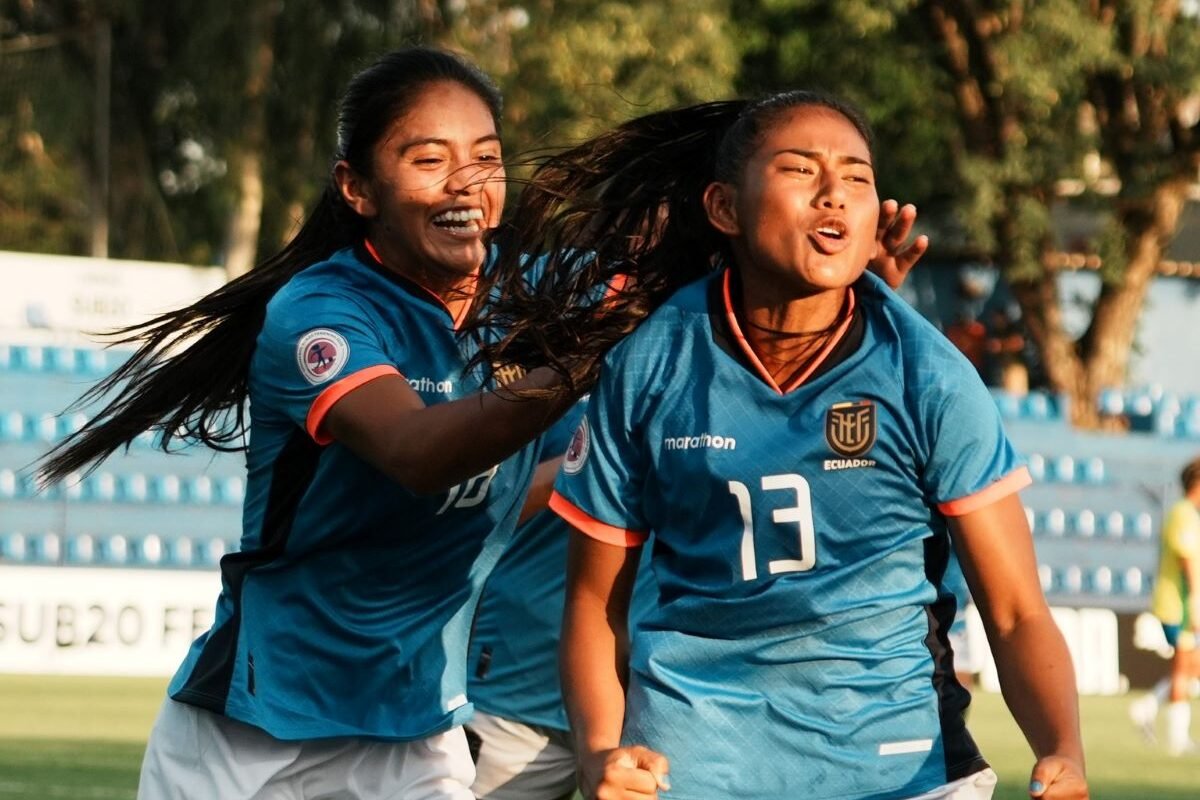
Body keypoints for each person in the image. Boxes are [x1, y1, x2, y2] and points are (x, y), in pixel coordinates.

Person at [472, 91, 1088, 799]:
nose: (835, 196)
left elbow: (1015, 612)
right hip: (695, 766)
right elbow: (594, 607)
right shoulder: (650, 363)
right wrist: (600, 753)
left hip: (900, 770)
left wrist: (1063, 750)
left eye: (857, 178)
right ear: (725, 208)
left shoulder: (929, 375)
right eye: (802, 170)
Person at [39, 47, 585, 800]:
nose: (467, 182)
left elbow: (483, 491)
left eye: (487, 158)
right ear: (356, 188)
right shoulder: (323, 310)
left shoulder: (525, 306)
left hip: (418, 726)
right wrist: (584, 366)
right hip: (259, 726)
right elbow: (418, 456)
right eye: (430, 158)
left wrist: (594, 466)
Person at [464, 207, 928, 800]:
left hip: (657, 708)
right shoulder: (560, 322)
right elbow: (483, 498)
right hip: (518, 692)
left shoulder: (722, 349)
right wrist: (604, 462)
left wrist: (855, 298)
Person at [1129, 457, 1200, 756]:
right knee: (1185, 667)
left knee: (1190, 666)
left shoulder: (1188, 514)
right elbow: (1188, 562)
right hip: (1179, 604)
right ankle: (1177, 740)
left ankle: (1146, 706)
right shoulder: (1183, 514)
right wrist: (1196, 604)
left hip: (1182, 602)